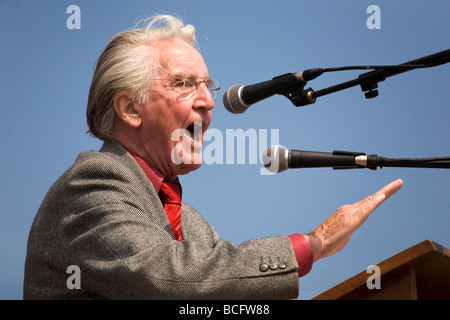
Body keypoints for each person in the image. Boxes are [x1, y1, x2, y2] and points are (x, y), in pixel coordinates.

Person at [23, 15, 403, 300]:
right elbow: (171, 278)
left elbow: (221, 294)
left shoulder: (192, 224)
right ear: (130, 108)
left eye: (207, 84)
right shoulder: (92, 182)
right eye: (184, 84)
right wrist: (313, 244)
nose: (207, 101)